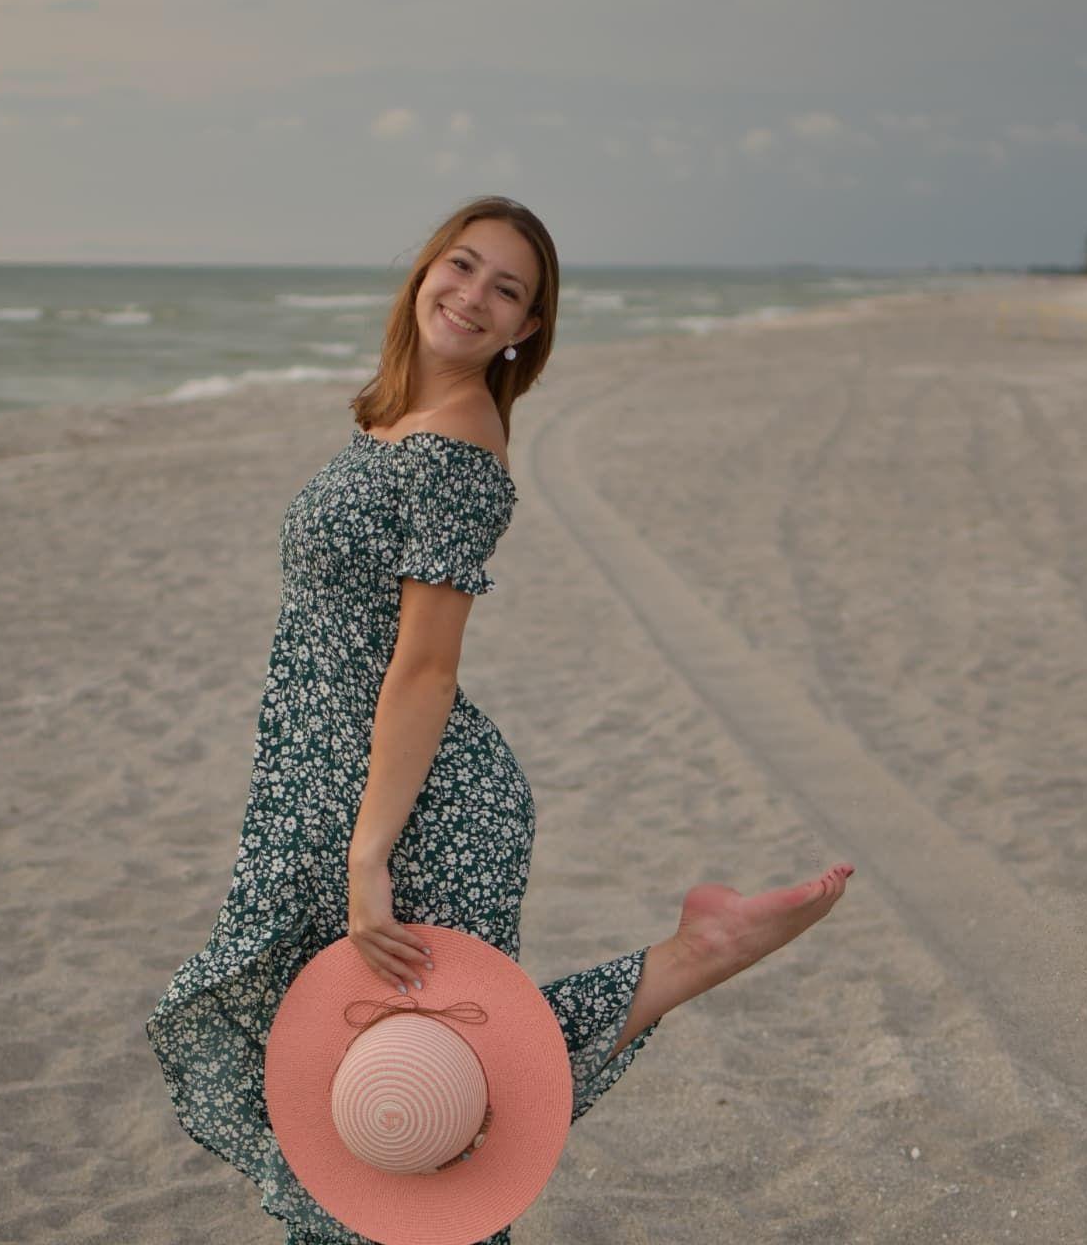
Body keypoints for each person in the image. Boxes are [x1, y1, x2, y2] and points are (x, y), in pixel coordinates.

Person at [144, 195, 854, 1244]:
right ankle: (686, 958)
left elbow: (426, 670)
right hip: (333, 788)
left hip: (409, 805)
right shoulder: (394, 417)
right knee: (356, 1073)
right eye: (462, 266)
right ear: (426, 267)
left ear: (527, 329)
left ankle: (687, 964)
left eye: (506, 289)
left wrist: (369, 853)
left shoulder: (459, 449)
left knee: (431, 1083)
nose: (472, 296)